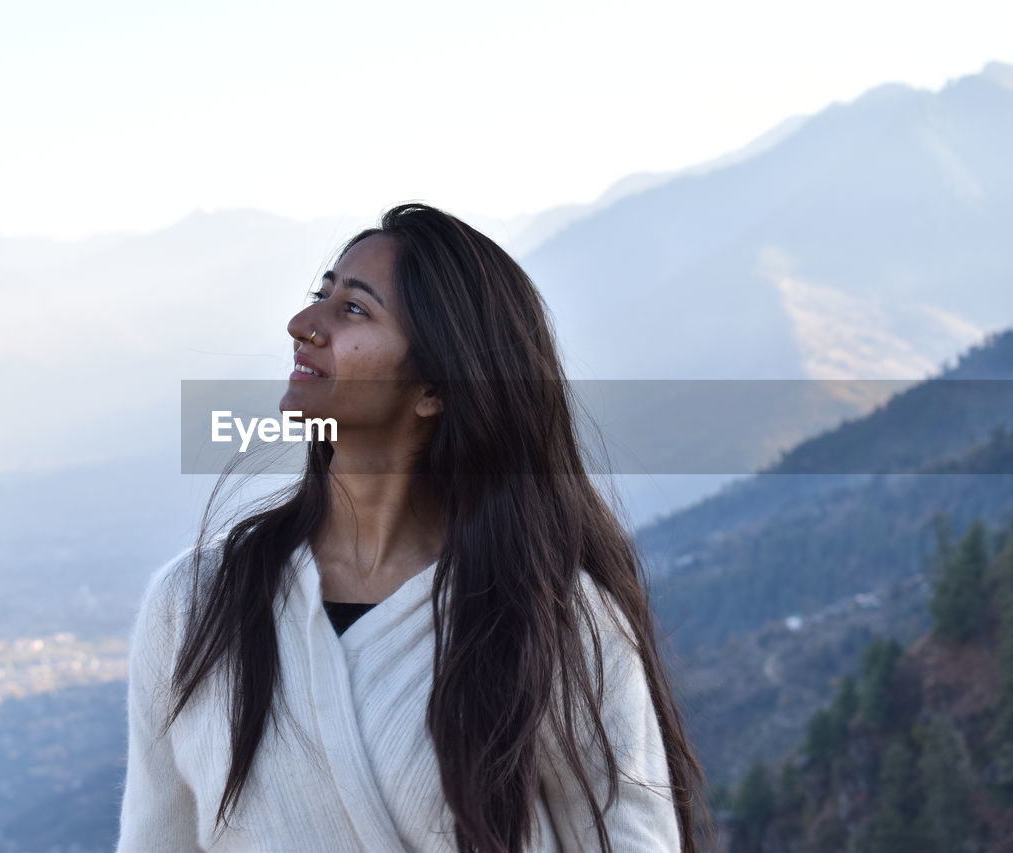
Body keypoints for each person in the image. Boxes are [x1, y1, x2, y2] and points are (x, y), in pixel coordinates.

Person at [117, 202, 716, 851]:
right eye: (321, 295)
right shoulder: (194, 604)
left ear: (434, 387)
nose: (301, 325)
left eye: (353, 309)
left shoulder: (549, 614)